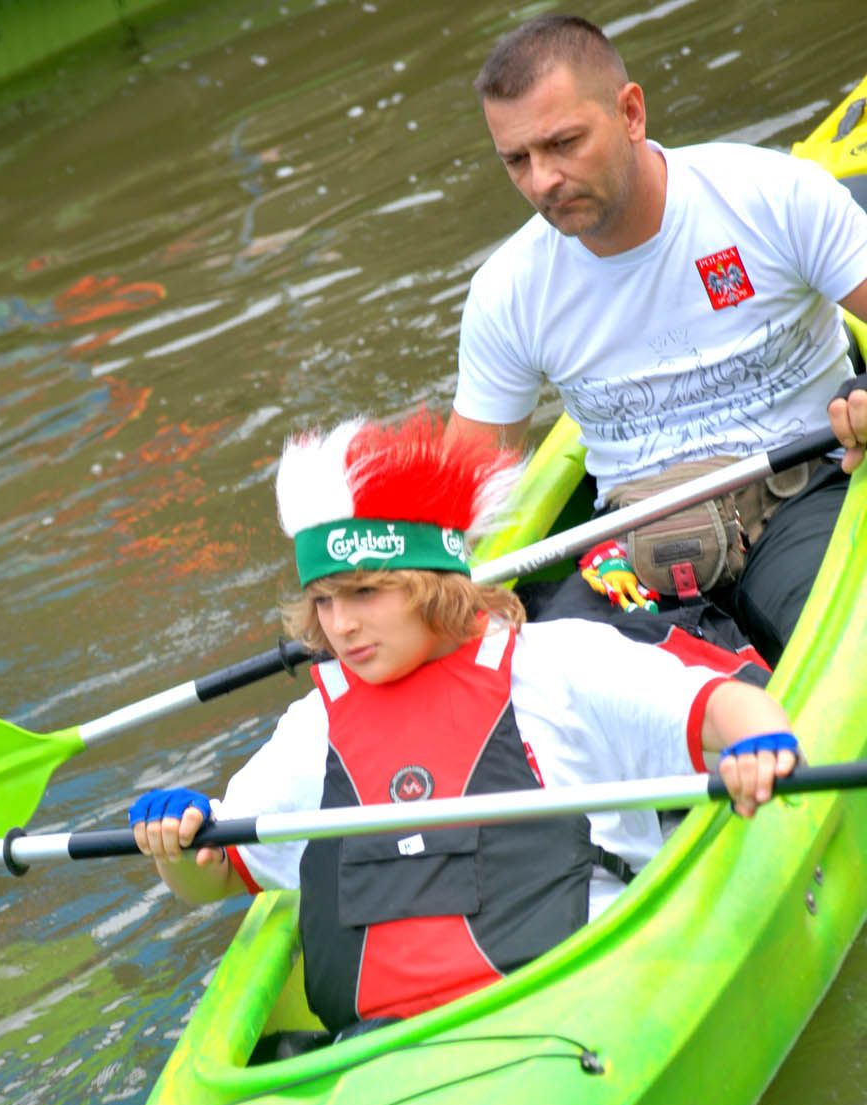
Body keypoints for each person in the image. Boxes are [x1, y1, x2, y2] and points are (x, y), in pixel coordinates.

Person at [129, 412, 800, 1041]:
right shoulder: (315, 728)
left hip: (580, 1006)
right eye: (325, 601)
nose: (340, 625)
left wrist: (760, 743)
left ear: (434, 584)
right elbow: (220, 875)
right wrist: (177, 850)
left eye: (366, 593)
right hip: (378, 1051)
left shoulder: (557, 664)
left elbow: (723, 706)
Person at [448, 14, 867, 665]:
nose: (541, 182)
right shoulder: (508, 290)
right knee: (537, 685)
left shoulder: (774, 198)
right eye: (517, 159)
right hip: (633, 554)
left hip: (801, 501)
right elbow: (459, 494)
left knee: (826, 648)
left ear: (632, 112)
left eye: (563, 144)